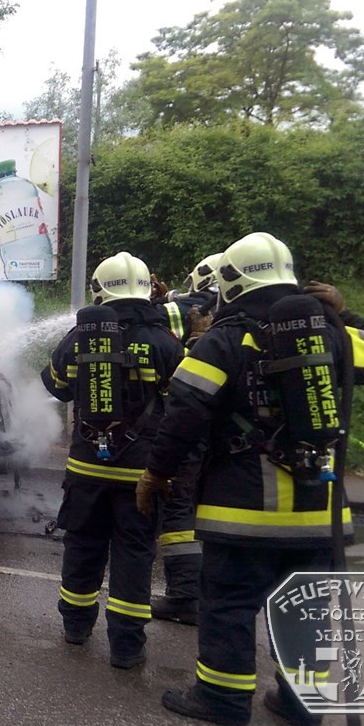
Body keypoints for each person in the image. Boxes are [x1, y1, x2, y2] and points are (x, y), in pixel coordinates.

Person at [135, 232, 364, 726]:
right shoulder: (326, 333)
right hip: (320, 509)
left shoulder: (226, 338)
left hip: (243, 510)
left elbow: (185, 410)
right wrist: (344, 314)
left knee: (230, 604)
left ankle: (222, 699)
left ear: (232, 282)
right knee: (304, 609)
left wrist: (157, 472)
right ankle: (302, 707)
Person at [41, 252, 184, 669]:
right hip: (143, 473)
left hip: (86, 468)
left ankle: (76, 627)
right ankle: (126, 647)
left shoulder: (79, 337)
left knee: (82, 545)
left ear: (99, 291)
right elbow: (184, 401)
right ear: (146, 289)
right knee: (134, 554)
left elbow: (56, 385)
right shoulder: (164, 341)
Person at [150, 253, 221, 625]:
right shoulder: (235, 311)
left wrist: (150, 302)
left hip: (190, 426)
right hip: (223, 432)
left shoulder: (189, 308)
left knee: (178, 512)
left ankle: (184, 597)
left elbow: (147, 321)